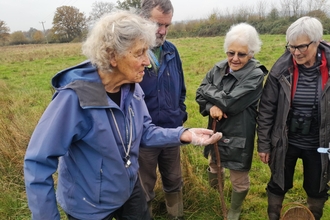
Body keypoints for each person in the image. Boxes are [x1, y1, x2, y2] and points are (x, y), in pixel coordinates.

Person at [23, 11, 222, 220]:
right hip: (89, 204)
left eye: (147, 52)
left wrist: (183, 134)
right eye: (139, 53)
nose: (148, 61)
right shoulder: (74, 99)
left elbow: (145, 131)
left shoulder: (132, 88)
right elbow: (38, 162)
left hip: (128, 188)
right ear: (112, 56)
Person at [257, 16, 330, 220]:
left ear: (317, 41)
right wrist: (263, 144)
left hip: (320, 143)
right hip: (285, 141)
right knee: (278, 184)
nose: (295, 52)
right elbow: (266, 109)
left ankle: (313, 216)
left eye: (301, 47)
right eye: (291, 46)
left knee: (317, 187)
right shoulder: (280, 70)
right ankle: (274, 216)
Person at [196, 23, 268, 220]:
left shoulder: (255, 74)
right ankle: (213, 197)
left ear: (251, 53)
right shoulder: (218, 67)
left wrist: (210, 94)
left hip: (239, 131)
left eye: (241, 54)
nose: (234, 58)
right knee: (214, 164)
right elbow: (198, 92)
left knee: (238, 174)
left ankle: (234, 210)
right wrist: (211, 107)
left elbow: (229, 103)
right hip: (215, 126)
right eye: (231, 52)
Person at [138, 0, 187, 219]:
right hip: (142, 138)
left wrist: (180, 114)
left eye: (167, 25)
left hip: (171, 132)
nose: (162, 31)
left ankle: (175, 215)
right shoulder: (133, 52)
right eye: (157, 24)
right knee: (143, 187)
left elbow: (181, 89)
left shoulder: (171, 51)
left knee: (174, 180)